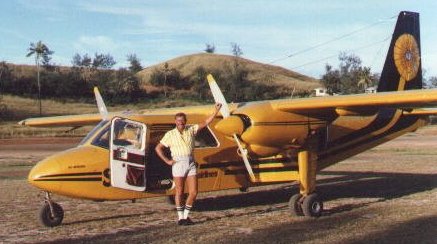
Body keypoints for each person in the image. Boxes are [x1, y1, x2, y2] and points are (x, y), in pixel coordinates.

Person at [155, 103, 222, 226]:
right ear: (175, 122)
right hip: (178, 163)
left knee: (194, 192)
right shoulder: (170, 134)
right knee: (179, 192)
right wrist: (167, 161)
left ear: (186, 121)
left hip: (190, 162)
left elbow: (206, 122)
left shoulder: (191, 130)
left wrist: (216, 111)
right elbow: (158, 148)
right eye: (178, 120)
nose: (181, 122)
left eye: (182, 120)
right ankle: (180, 217)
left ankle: (185, 216)